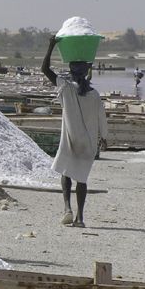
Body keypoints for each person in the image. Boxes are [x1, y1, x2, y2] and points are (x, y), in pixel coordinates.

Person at [42, 36, 108, 228]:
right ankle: (80, 218)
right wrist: (104, 137)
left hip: (70, 139)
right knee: (82, 178)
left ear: (71, 70)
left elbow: (45, 69)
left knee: (66, 172)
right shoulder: (94, 94)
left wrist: (51, 45)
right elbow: (101, 117)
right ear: (87, 72)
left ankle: (67, 208)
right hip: (88, 143)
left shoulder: (66, 87)